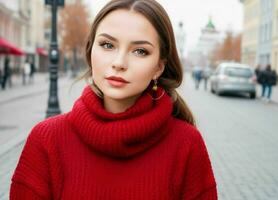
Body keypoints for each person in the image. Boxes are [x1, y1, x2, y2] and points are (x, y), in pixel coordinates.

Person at [10, 0, 217, 199]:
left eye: (140, 51)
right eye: (107, 45)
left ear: (158, 67)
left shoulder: (187, 144)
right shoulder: (46, 139)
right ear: (91, 50)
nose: (119, 63)